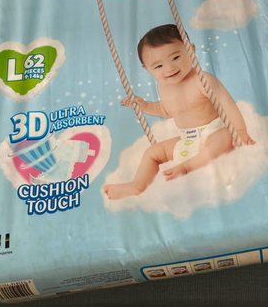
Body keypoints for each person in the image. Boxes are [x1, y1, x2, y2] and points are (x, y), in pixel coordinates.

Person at [103, 24, 254, 200]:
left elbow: (227, 105)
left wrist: (240, 131)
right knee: (152, 152)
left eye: (175, 57)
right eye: (158, 66)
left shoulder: (202, 80)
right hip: (187, 139)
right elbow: (167, 110)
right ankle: (137, 185)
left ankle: (186, 167)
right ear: (147, 69)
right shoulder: (163, 86)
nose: (169, 68)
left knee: (222, 138)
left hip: (213, 131)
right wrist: (145, 105)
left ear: (191, 50)